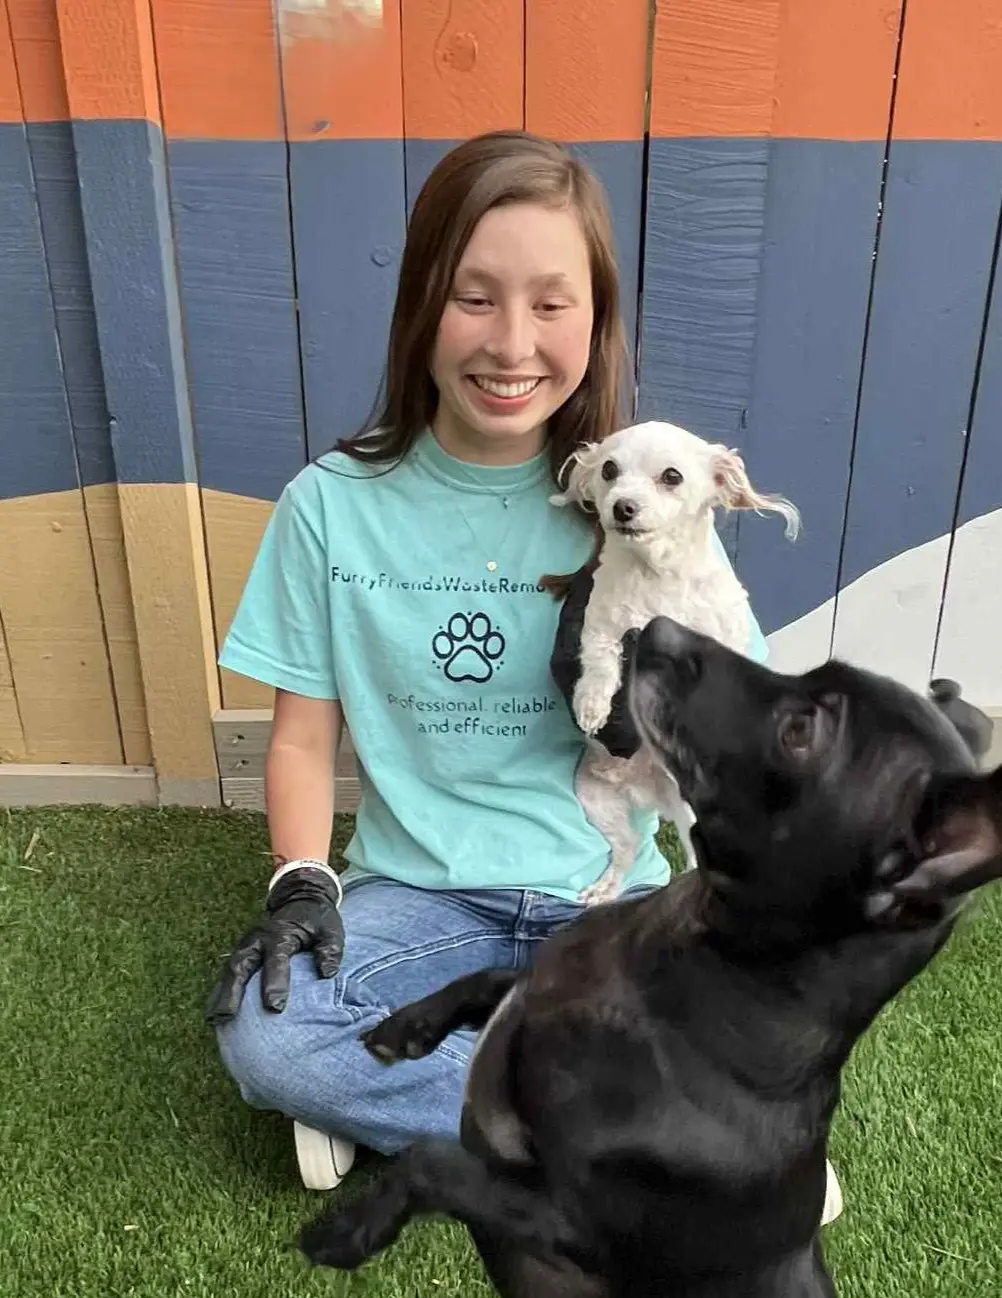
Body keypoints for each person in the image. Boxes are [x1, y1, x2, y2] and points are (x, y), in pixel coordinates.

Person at [204, 130, 842, 1228]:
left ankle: (432, 1096)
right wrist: (300, 880)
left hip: (613, 886)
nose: (512, 342)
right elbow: (305, 738)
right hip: (419, 894)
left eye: (553, 303)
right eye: (474, 297)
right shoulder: (328, 506)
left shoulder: (648, 494)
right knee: (265, 1039)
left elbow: (746, 723)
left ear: (595, 322)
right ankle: (666, 1134)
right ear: (420, 309)